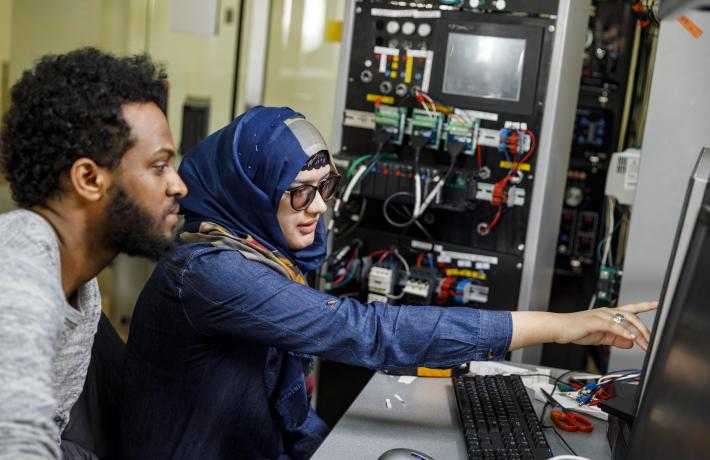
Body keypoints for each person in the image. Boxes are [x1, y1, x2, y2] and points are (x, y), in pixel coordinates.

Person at [120, 106, 655, 460]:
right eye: (300, 191)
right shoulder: (211, 273)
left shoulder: (252, 249)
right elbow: (369, 332)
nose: (321, 207)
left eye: (325, 186)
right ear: (252, 190)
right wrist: (561, 327)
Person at [0, 47, 187, 459]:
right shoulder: (19, 276)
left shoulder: (80, 283)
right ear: (88, 178)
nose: (178, 186)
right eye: (159, 166)